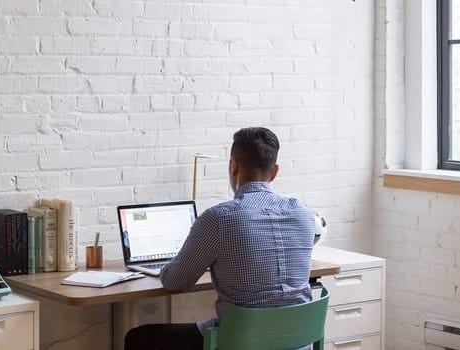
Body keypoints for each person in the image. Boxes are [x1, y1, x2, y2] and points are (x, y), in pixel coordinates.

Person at [124, 127, 316, 350]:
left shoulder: (219, 218)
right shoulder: (304, 214)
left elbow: (175, 281)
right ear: (274, 172)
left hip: (240, 342)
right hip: (298, 341)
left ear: (233, 165)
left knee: (140, 338)